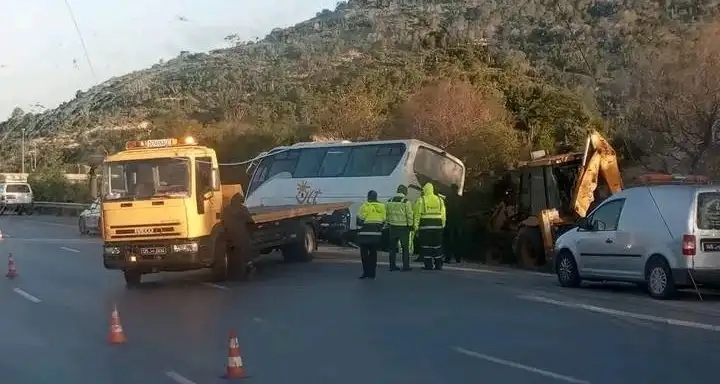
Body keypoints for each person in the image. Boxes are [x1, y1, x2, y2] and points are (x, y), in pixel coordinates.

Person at [222, 192, 257, 280]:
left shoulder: (226, 209)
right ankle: (248, 268)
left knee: (233, 255)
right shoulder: (243, 209)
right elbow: (250, 222)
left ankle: (233, 272)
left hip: (229, 236)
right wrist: (252, 233)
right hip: (242, 235)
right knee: (246, 253)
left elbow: (222, 221)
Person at [413, 182, 446, 270]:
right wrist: (442, 225)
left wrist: (415, 228)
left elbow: (417, 215)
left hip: (425, 228)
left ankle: (428, 265)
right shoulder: (440, 200)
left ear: (425, 190)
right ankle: (438, 265)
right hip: (438, 228)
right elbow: (443, 214)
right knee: (437, 246)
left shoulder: (421, 200)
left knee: (426, 246)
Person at [356, 190, 386, 279]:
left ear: (368, 197)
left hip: (365, 235)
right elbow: (384, 220)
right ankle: (372, 273)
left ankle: (365, 272)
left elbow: (360, 220)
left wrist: (358, 232)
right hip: (376, 235)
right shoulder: (382, 207)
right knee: (373, 254)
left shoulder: (365, 206)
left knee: (364, 255)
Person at [385, 184, 414, 271]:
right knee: (405, 248)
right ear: (404, 191)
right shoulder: (405, 202)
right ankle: (406, 266)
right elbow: (409, 215)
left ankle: (392, 266)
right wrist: (410, 225)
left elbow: (386, 214)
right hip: (403, 228)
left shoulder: (389, 201)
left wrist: (388, 222)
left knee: (392, 248)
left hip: (392, 227)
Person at [444, 183, 463, 264]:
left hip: (450, 221)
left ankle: (448, 258)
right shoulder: (461, 199)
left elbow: (445, 210)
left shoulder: (448, 198)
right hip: (458, 222)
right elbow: (464, 210)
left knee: (449, 240)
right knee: (458, 241)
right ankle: (458, 258)